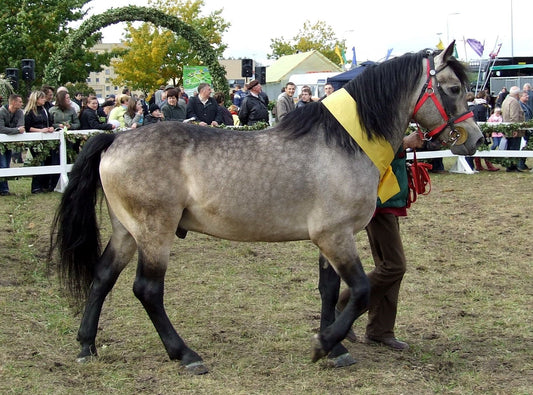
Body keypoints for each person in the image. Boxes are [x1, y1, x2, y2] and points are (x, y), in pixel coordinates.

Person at [336, 132, 425, 351]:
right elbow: (372, 148)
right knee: (394, 266)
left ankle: (381, 330)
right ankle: (343, 308)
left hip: (389, 196)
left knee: (389, 267)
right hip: (380, 198)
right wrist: (403, 142)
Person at [24, 90, 57, 193]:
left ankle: (45, 185)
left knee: (48, 161)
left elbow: (50, 122)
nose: (44, 99)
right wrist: (40, 130)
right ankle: (36, 187)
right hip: (35, 140)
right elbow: (28, 127)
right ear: (36, 99)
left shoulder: (45, 110)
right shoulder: (29, 112)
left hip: (46, 140)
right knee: (39, 162)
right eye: (42, 98)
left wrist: (51, 128)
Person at [0, 94, 25, 195]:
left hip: (9, 144)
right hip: (1, 144)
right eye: (20, 101)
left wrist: (16, 130)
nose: (21, 103)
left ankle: (4, 189)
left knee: (6, 164)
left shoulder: (19, 112)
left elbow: (21, 126)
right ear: (13, 102)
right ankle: (4, 190)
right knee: (2, 164)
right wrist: (16, 130)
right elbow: (1, 128)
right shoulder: (1, 112)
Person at [471, 91, 499, 171]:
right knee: (485, 146)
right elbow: (484, 119)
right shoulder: (485, 107)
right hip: (482, 129)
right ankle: (489, 165)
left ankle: (478, 165)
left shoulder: (475, 106)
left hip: (476, 128)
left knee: (478, 146)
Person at [501, 86, 525, 172]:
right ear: (517, 94)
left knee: (509, 146)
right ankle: (512, 166)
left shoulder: (506, 100)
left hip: (507, 128)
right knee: (514, 147)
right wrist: (515, 129)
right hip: (514, 129)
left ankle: (509, 165)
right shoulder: (514, 102)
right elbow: (514, 117)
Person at [517, 90, 532, 170]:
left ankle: (522, 163)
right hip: (525, 129)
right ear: (521, 97)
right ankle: (520, 163)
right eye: (525, 96)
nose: (528, 97)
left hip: (529, 128)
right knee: (525, 145)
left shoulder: (526, 105)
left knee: (528, 145)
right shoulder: (520, 105)